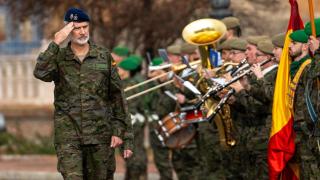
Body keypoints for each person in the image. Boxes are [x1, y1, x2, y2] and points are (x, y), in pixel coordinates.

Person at [33, 8, 133, 179]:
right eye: (76, 28)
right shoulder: (59, 57)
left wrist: (123, 134)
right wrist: (55, 43)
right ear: (68, 30)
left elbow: (117, 96)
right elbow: (41, 73)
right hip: (69, 137)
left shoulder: (103, 56)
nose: (82, 32)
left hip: (100, 135)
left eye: (84, 27)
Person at [118, 55, 148, 180]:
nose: (117, 71)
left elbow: (134, 105)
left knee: (131, 153)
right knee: (130, 153)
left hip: (130, 123)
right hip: (128, 122)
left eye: (119, 69)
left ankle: (137, 175)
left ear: (126, 71)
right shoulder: (124, 83)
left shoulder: (130, 86)